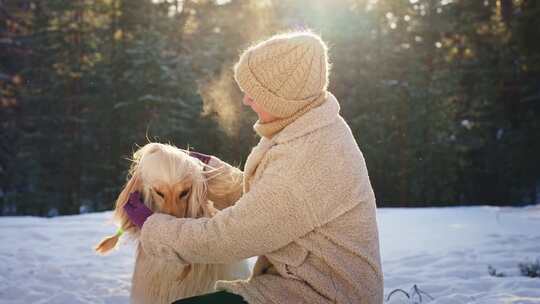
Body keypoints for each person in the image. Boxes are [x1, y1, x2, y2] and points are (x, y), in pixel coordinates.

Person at [124, 30, 383, 304]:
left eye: (255, 93)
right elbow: (268, 202)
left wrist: (152, 226)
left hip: (323, 296)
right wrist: (213, 171)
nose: (246, 100)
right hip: (303, 283)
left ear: (283, 98)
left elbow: (229, 237)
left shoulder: (306, 160)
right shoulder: (313, 128)